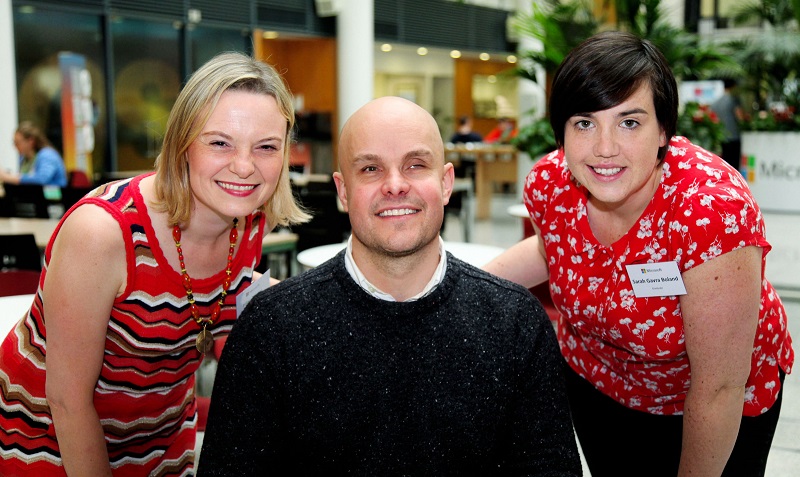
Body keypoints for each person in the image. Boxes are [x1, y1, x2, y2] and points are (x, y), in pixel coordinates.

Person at [197, 96, 582, 475]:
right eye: (370, 169)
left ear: (446, 183)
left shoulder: (517, 325)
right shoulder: (271, 329)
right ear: (343, 192)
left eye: (416, 165)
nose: (395, 185)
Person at [484, 31, 793, 477]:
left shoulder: (710, 213)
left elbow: (719, 387)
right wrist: (464, 288)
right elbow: (552, 248)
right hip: (598, 380)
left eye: (630, 122)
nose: (605, 148)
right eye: (584, 123)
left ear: (664, 129)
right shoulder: (552, 184)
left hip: (710, 401)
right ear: (562, 132)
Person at [0, 52, 309, 476]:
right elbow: (67, 400)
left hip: (159, 436)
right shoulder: (103, 233)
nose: (244, 166)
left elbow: (209, 303)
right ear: (182, 143)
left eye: (266, 147)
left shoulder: (251, 219)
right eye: (219, 142)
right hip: (49, 437)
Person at [0, 121, 67, 187]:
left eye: (18, 143)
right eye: (14, 143)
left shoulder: (47, 155)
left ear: (30, 141)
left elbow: (41, 180)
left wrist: (9, 178)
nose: (15, 146)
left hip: (54, 195)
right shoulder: (23, 158)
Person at [710, 78, 744, 172]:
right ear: (733, 87)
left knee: (724, 165)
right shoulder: (734, 100)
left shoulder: (715, 103)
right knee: (735, 166)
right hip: (734, 137)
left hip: (721, 138)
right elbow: (740, 116)